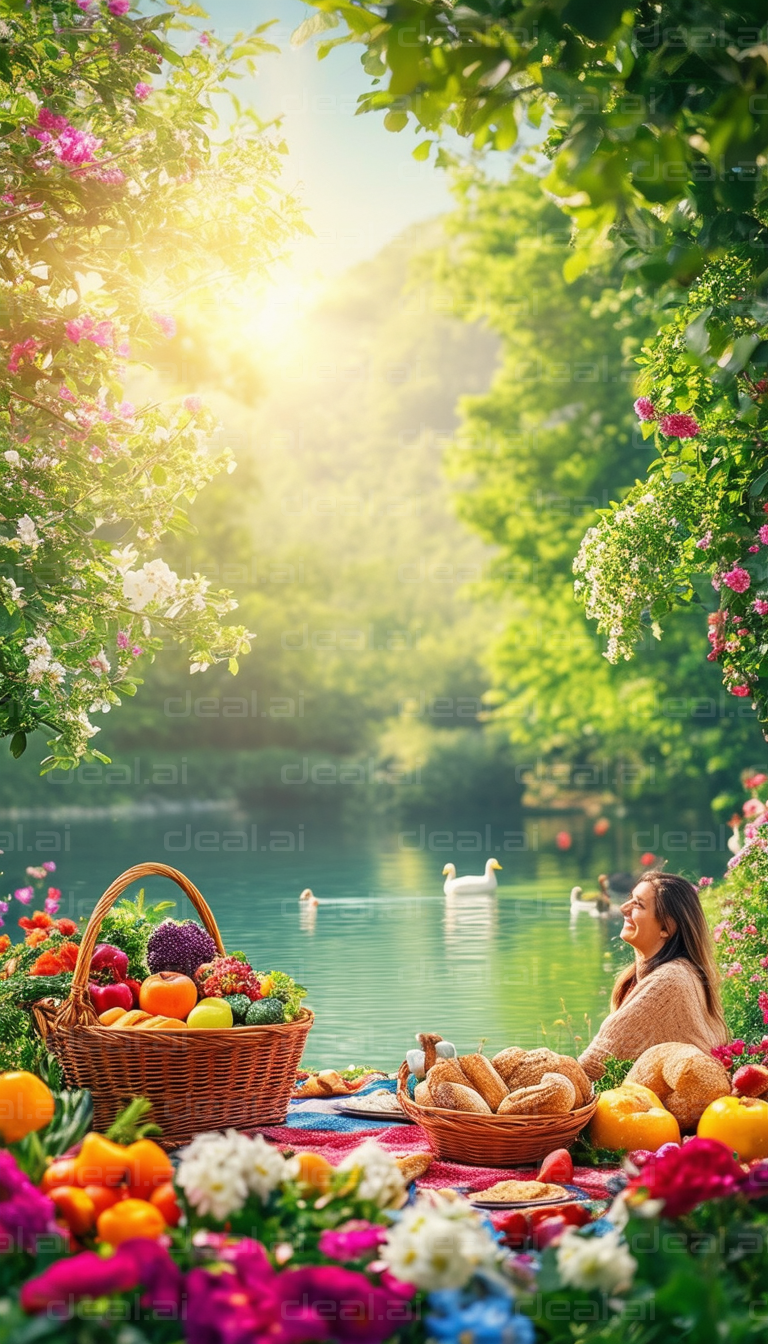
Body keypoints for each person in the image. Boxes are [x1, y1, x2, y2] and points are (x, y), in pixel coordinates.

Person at [578, 872, 728, 1080]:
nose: (624, 908)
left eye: (638, 905)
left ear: (666, 928)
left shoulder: (669, 981)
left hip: (681, 1110)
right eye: (630, 898)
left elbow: (594, 1063)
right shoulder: (669, 972)